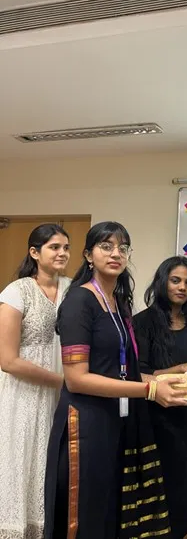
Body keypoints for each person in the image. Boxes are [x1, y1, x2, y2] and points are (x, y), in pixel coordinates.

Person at [44, 222, 187, 539]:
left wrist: (170, 380)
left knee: (112, 513)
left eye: (122, 248)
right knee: (86, 517)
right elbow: (76, 379)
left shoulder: (119, 303)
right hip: (86, 423)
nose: (116, 253)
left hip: (118, 419)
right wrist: (149, 390)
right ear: (88, 255)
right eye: (106, 246)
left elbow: (125, 368)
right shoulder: (79, 301)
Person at [133, 256, 187, 539]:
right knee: (153, 495)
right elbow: (139, 375)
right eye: (175, 280)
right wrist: (186, 367)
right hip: (152, 419)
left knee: (183, 491)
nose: (182, 287)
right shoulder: (142, 323)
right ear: (162, 282)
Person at [0, 223, 71, 539]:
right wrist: (62, 381)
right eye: (54, 247)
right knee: (24, 463)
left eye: (66, 247)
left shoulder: (72, 289)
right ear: (34, 252)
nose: (62, 253)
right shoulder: (17, 292)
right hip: (25, 395)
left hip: (63, 394)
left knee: (52, 465)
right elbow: (8, 361)